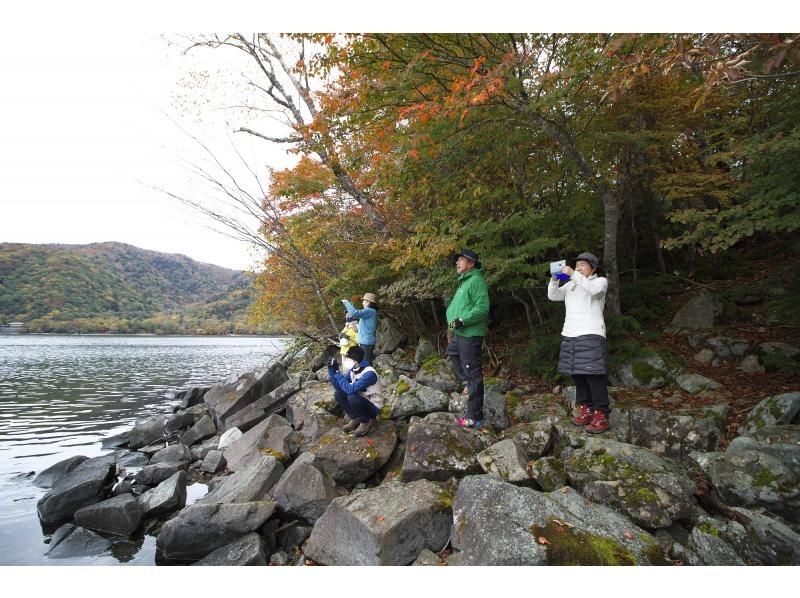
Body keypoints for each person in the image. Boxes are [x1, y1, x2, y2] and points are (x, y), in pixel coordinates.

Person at [547, 251, 611, 434]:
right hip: (570, 334)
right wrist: (554, 279)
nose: (578, 268)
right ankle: (586, 409)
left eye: (583, 265)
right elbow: (553, 296)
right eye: (577, 265)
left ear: (593, 268)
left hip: (591, 333)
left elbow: (593, 291)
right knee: (578, 374)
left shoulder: (599, 282)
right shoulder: (571, 285)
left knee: (594, 375)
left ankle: (601, 414)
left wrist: (573, 274)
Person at [446, 249, 490, 427]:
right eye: (457, 260)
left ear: (471, 264)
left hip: (470, 334)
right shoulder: (463, 283)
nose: (457, 263)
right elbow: (455, 310)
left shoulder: (476, 281)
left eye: (461, 260)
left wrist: (463, 321)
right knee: (453, 354)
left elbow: (482, 308)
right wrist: (450, 328)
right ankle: (467, 384)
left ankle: (475, 416)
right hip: (459, 333)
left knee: (473, 373)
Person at [327, 345, 383, 437]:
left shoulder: (369, 373)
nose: (346, 361)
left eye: (348, 358)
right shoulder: (352, 370)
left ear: (356, 360)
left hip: (373, 406)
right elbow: (340, 387)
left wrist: (338, 372)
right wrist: (332, 371)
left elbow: (350, 389)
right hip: (362, 400)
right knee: (338, 394)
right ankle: (356, 418)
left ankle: (366, 421)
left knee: (352, 396)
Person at [342, 292, 378, 365]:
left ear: (368, 302)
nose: (362, 303)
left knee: (365, 364)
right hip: (364, 342)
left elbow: (355, 313)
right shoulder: (370, 312)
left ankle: (370, 375)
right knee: (364, 362)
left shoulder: (370, 311)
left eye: (364, 301)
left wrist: (346, 302)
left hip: (366, 342)